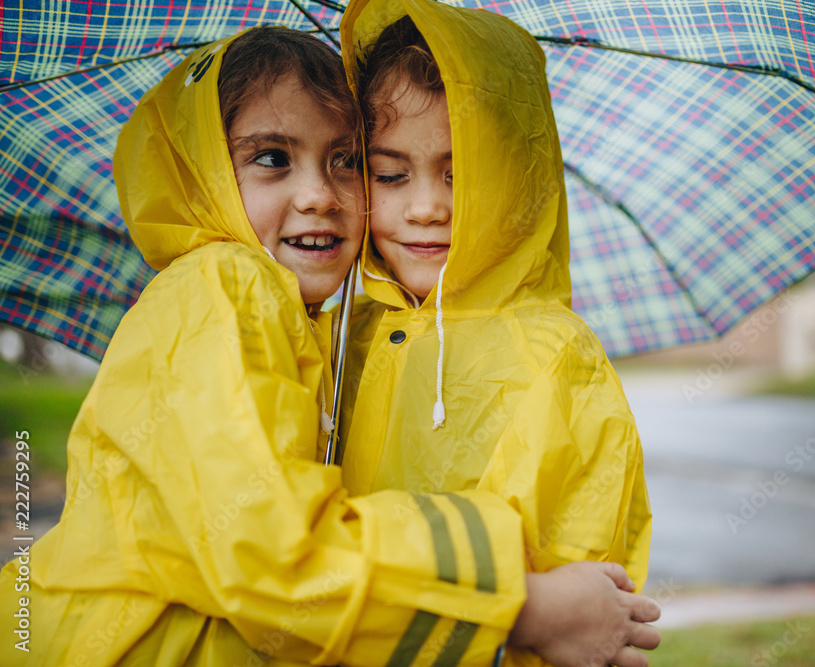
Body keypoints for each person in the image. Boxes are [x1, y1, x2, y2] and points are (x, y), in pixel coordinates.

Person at [0, 25, 658, 667]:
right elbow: (268, 550)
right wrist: (523, 606)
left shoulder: (333, 325)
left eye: (346, 161)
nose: (319, 195)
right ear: (200, 172)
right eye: (271, 158)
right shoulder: (225, 286)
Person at [338, 1, 657, 665]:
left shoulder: (555, 356)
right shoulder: (346, 331)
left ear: (517, 175)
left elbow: (581, 584)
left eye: (464, 175)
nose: (426, 207)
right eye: (390, 173)